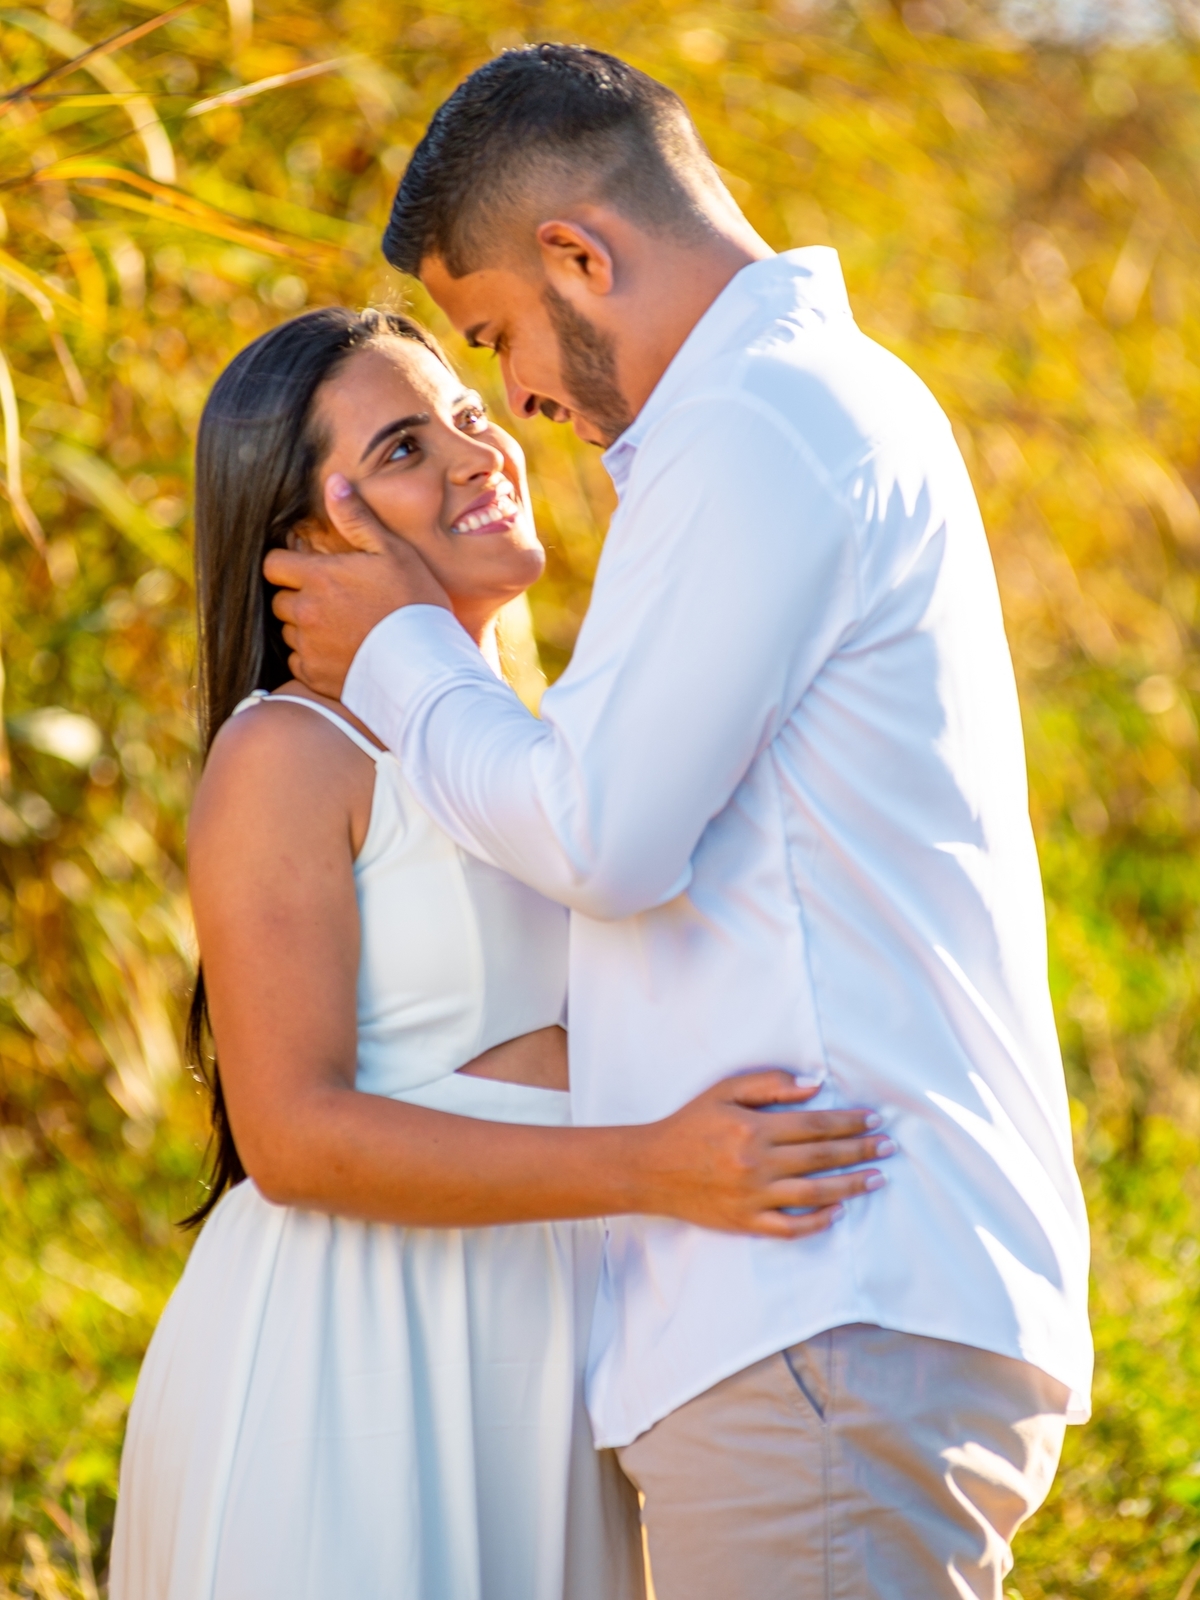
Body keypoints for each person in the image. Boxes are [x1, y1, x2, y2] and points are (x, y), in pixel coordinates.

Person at [265, 45, 1094, 1600]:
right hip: (818, 1317)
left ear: (582, 251)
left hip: (821, 1307)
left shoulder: (757, 426)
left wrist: (397, 653)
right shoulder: (801, 413)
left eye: (496, 334)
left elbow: (600, 835)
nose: (512, 398)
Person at [108, 306, 890, 1600]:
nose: (481, 451)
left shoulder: (524, 750)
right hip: (356, 1358)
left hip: (537, 1346)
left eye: (468, 414)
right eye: (408, 446)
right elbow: (292, 1136)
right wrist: (657, 1168)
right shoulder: (291, 753)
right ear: (307, 536)